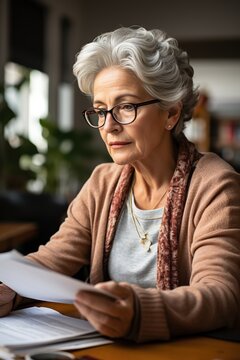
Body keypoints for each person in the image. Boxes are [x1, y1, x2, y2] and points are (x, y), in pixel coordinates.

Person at [0, 26, 240, 343]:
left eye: (125, 107)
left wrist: (140, 311)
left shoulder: (216, 184)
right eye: (100, 110)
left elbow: (221, 295)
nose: (108, 126)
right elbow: (52, 260)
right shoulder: (103, 181)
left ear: (170, 113)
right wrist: (9, 291)